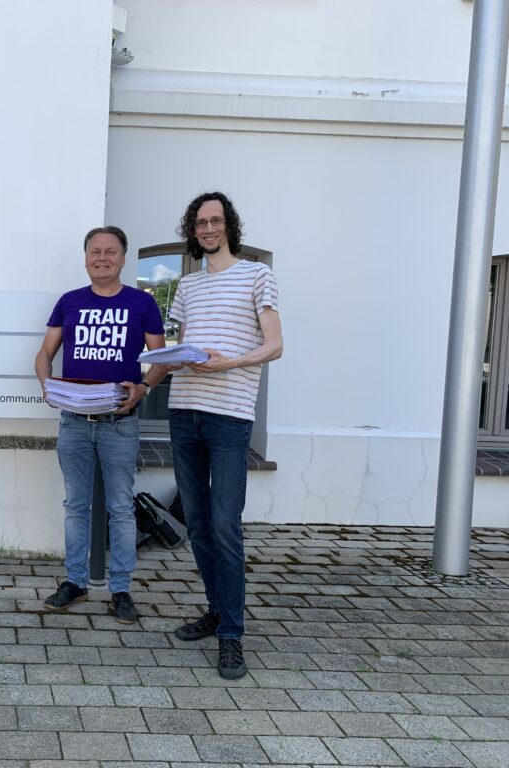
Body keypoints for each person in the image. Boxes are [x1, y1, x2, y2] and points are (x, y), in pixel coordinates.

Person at [166, 192, 283, 679]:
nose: (207, 229)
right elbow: (176, 346)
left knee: (225, 527)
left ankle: (232, 635)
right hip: (183, 411)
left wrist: (228, 362)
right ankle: (216, 610)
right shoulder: (187, 286)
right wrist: (154, 371)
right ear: (192, 231)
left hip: (230, 417)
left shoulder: (258, 275)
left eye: (214, 220)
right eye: (199, 223)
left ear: (228, 225)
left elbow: (274, 345)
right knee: (195, 523)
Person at [35, 226, 166, 623]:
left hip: (119, 423)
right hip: (73, 421)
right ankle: (74, 581)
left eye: (111, 251)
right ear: (86, 257)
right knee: (76, 506)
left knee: (121, 508)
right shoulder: (69, 301)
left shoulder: (142, 303)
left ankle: (121, 589)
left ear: (124, 258)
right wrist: (46, 385)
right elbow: (44, 353)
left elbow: (161, 359)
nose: (102, 258)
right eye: (95, 251)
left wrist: (143, 387)